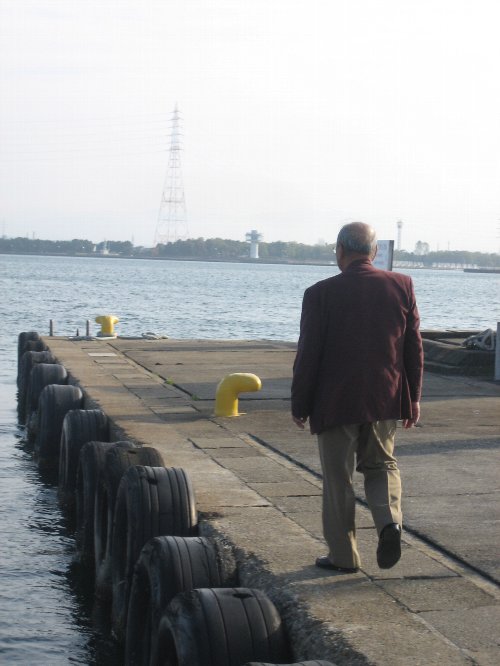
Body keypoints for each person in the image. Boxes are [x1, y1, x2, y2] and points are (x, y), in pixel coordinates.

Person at [291, 222, 423, 573]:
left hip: (335, 401)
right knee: (382, 466)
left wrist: (300, 403)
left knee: (339, 480)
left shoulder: (319, 293)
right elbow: (413, 348)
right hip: (384, 398)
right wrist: (413, 399)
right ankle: (389, 522)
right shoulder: (402, 286)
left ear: (339, 250)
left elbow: (308, 355)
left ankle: (344, 556)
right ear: (374, 252)